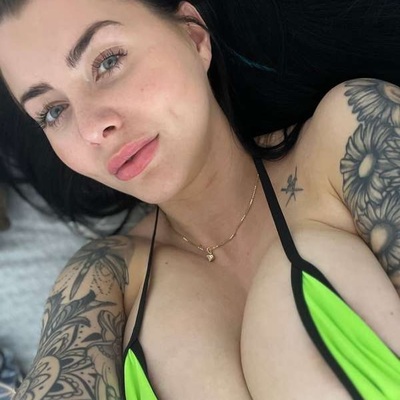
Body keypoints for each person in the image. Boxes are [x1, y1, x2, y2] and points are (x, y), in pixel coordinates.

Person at [0, 0, 399, 399]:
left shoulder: (354, 136)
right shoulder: (105, 277)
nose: (91, 128)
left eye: (107, 62)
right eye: (52, 112)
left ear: (193, 36)